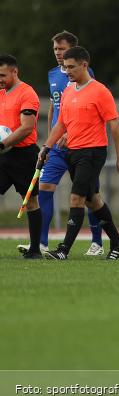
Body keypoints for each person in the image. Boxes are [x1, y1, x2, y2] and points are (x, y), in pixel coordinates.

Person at [41, 47, 119, 260]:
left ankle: (63, 250)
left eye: (71, 67)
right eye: (65, 67)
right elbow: (61, 124)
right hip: (72, 152)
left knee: (76, 198)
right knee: (94, 201)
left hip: (92, 153)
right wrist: (46, 147)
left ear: (84, 65)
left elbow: (115, 126)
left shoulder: (100, 91)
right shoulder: (69, 91)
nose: (67, 71)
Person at [23, 31, 105, 256]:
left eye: (62, 49)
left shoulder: (83, 74)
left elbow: (88, 106)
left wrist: (71, 133)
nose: (58, 53)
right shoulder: (51, 74)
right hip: (57, 146)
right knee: (45, 188)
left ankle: (97, 242)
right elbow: (53, 108)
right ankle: (41, 242)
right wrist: (50, 140)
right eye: (56, 50)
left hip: (80, 144)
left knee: (90, 197)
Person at [0, 55, 43, 259]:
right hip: (4, 155)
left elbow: (26, 128)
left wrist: (3, 144)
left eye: (2, 75)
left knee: (31, 202)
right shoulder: (1, 94)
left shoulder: (27, 93)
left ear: (14, 71)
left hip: (24, 155)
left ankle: (35, 249)